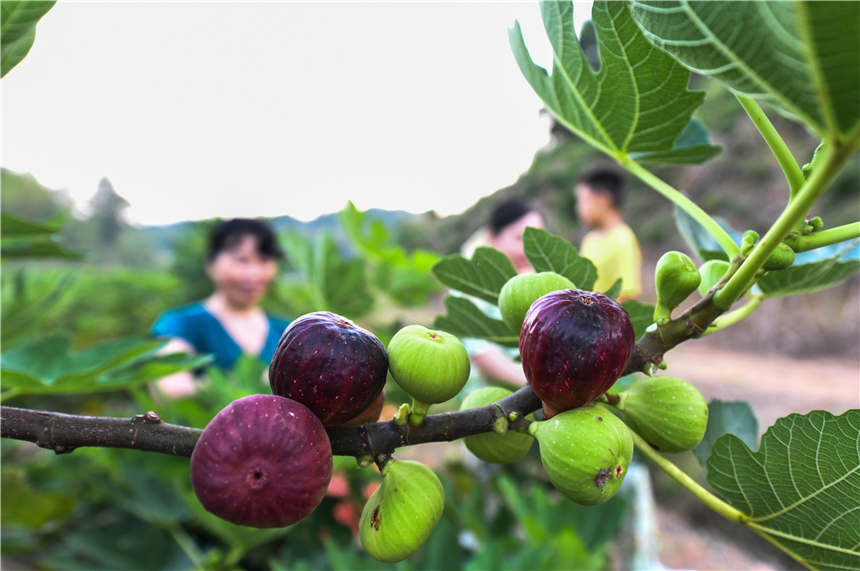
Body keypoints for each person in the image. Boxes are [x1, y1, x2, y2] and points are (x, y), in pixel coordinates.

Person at [151, 218, 289, 397]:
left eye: (263, 260)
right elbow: (167, 390)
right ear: (211, 264)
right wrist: (263, 383)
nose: (254, 273)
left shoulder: (285, 331)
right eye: (242, 260)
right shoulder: (180, 324)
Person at [463, 199, 545, 387]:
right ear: (492, 237)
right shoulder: (473, 285)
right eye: (519, 238)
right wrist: (539, 386)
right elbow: (481, 351)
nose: (529, 248)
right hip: (490, 404)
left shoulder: (539, 280)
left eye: (537, 239)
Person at [576, 169, 642, 300]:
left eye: (582, 201)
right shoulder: (589, 240)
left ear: (603, 199)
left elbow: (627, 295)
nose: (578, 209)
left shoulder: (623, 239)